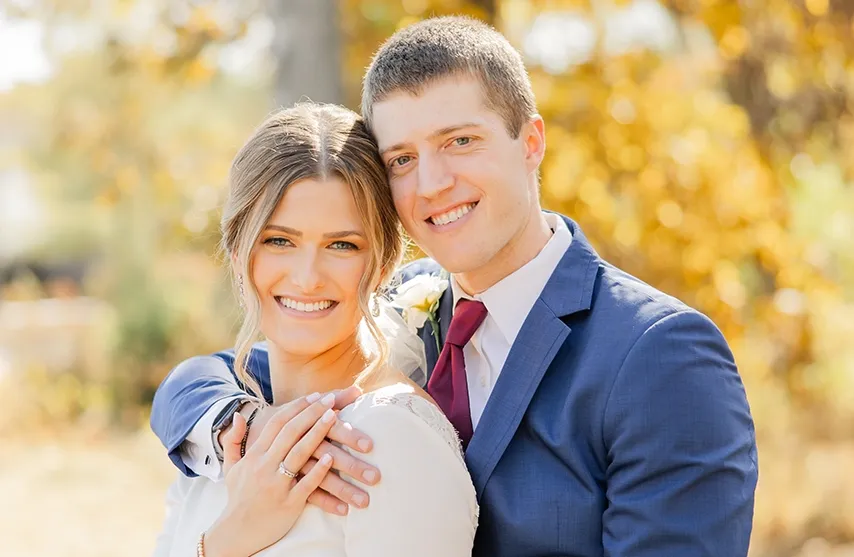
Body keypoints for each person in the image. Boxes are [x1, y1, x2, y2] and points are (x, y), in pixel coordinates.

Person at [152, 16, 758, 556]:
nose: (433, 183)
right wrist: (243, 427)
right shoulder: (405, 302)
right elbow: (209, 375)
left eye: (459, 141)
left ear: (531, 143)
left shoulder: (659, 354)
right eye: (402, 159)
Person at [153, 102, 478, 556]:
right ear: (237, 252)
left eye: (341, 245)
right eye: (279, 241)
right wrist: (230, 538)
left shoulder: (388, 439)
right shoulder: (222, 437)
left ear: (383, 263)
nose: (307, 277)